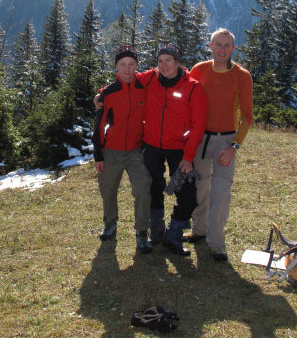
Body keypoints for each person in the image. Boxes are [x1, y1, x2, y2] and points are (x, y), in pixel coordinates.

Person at [187, 29, 253, 261]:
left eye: (227, 46)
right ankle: (199, 231)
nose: (222, 49)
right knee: (200, 186)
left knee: (221, 193)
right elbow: (184, 96)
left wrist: (233, 147)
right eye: (218, 44)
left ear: (233, 49)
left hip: (226, 140)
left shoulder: (242, 76)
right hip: (200, 139)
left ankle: (216, 243)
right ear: (210, 46)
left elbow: (247, 117)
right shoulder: (198, 70)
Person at [141, 44, 207, 256]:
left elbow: (198, 126)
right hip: (151, 146)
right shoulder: (150, 78)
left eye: (169, 60)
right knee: (153, 188)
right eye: (160, 61)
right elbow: (124, 79)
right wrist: (101, 95)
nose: (164, 65)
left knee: (188, 196)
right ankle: (157, 232)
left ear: (179, 63)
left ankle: (173, 235)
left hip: (180, 150)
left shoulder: (193, 87)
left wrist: (188, 158)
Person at [92, 45, 153, 253]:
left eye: (131, 64)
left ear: (137, 65)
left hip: (137, 150)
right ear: (116, 67)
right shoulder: (106, 93)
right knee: (108, 190)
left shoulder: (145, 88)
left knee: (143, 189)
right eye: (122, 65)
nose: (127, 69)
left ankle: (142, 232)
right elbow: (99, 125)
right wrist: (98, 154)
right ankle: (110, 224)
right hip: (111, 151)